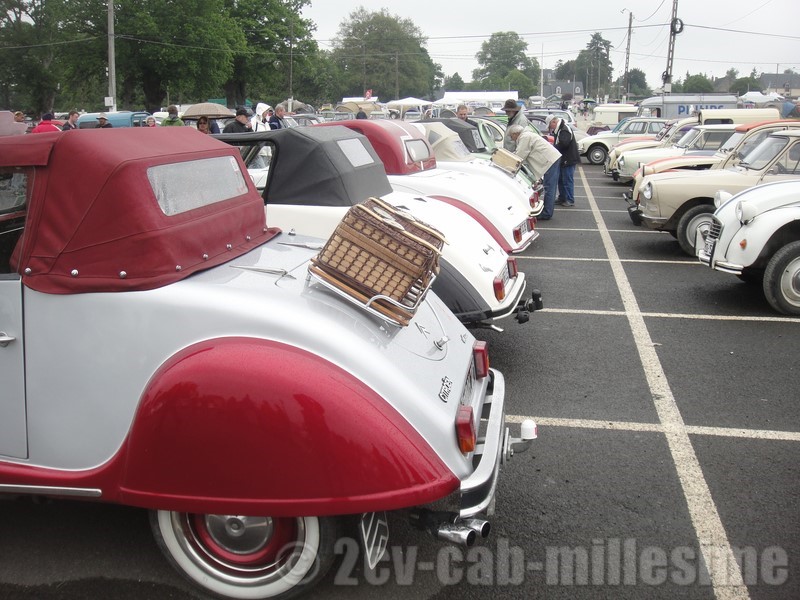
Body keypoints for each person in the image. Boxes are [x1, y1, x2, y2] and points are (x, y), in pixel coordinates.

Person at [507, 124, 561, 220]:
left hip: (550, 160)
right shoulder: (527, 135)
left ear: (515, 134)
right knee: (550, 186)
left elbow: (520, 155)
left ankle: (547, 213)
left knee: (549, 187)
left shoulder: (525, 137)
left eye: (512, 137)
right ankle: (547, 211)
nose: (512, 139)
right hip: (552, 159)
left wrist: (507, 162)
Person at [548, 115, 580, 208]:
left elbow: (564, 143)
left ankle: (569, 199)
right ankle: (562, 197)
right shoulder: (562, 128)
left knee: (567, 180)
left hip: (568, 159)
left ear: (553, 122)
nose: (551, 128)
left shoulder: (564, 129)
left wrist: (553, 148)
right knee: (561, 180)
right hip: (565, 159)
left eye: (550, 126)